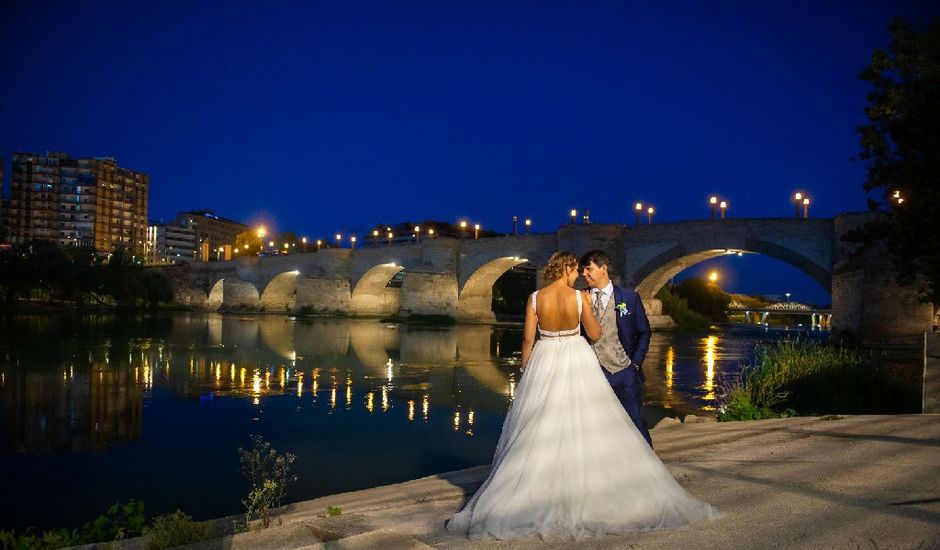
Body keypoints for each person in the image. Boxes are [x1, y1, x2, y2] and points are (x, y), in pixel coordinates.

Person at [445, 251, 717, 540]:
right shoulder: (579, 298)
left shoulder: (535, 298)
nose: (579, 275)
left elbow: (527, 339)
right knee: (589, 422)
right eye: (576, 270)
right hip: (576, 359)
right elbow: (596, 334)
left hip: (545, 358)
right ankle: (600, 483)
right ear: (568, 269)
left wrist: (527, 366)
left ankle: (538, 485)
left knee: (541, 423)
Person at [580, 249, 653, 446]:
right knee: (595, 428)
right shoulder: (579, 299)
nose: (584, 274)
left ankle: (649, 467)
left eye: (588, 269)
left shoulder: (629, 298)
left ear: (603, 268)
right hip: (591, 374)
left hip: (624, 372)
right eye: (583, 270)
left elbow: (644, 333)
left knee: (635, 422)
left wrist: (635, 364)